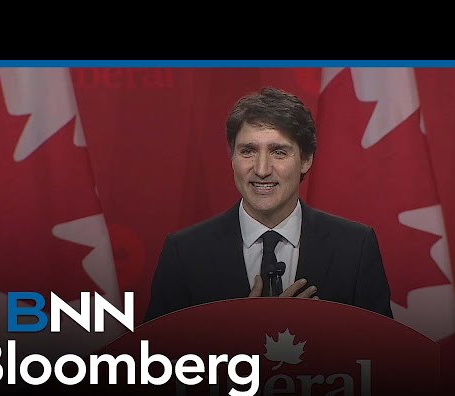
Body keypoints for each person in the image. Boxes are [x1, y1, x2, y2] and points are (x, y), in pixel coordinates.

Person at [145, 87, 392, 321]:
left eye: (278, 152)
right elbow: (156, 362)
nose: (261, 170)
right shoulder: (185, 253)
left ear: (305, 160)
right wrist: (243, 337)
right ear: (232, 157)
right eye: (248, 151)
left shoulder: (355, 248)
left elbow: (384, 358)